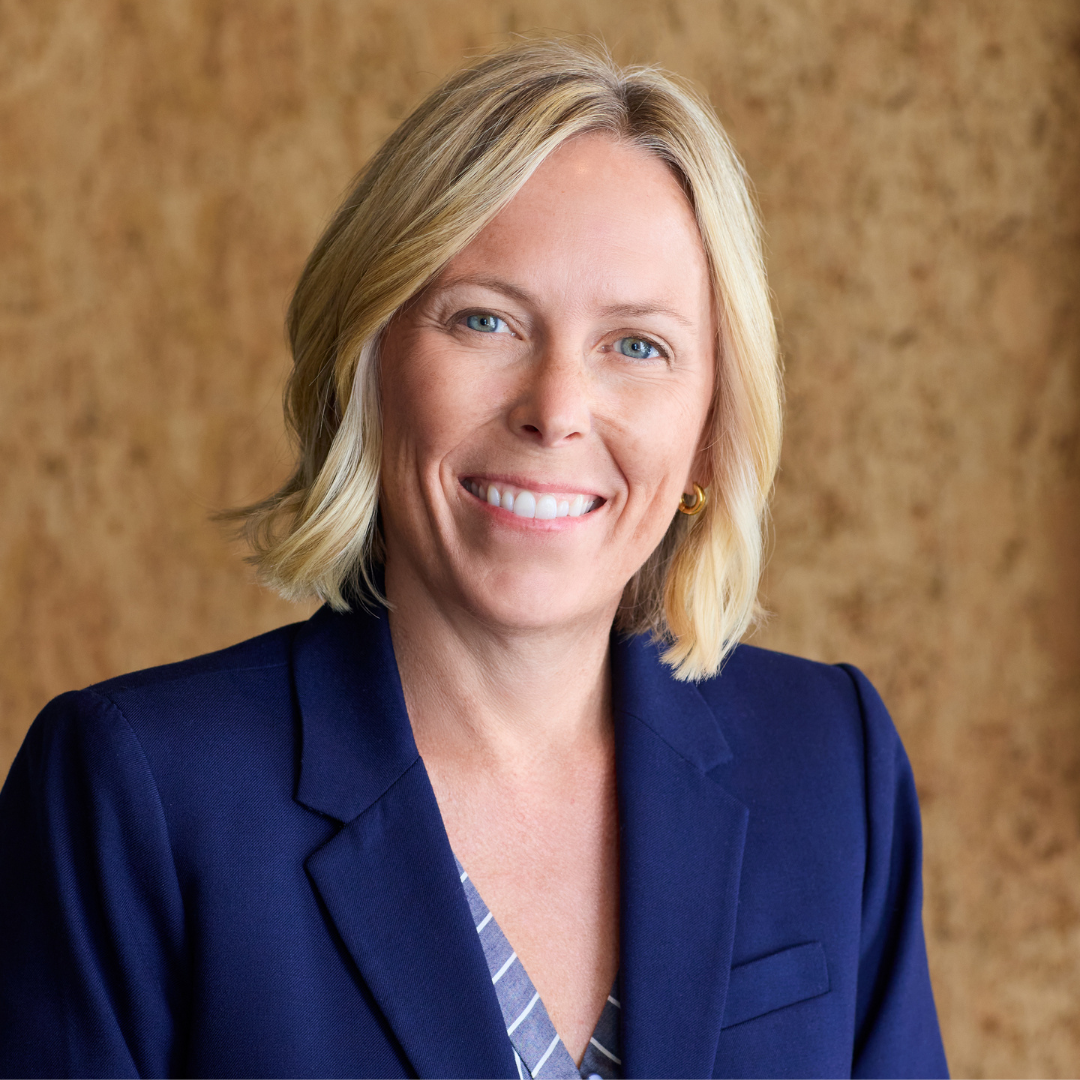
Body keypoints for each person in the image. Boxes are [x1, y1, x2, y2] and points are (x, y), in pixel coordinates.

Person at [0, 39, 948, 1079]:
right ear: (370, 367)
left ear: (711, 425)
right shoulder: (136, 790)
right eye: (486, 320)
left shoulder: (828, 763)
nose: (556, 410)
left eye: (637, 345)